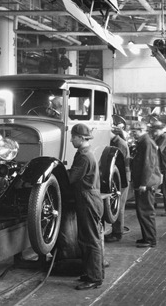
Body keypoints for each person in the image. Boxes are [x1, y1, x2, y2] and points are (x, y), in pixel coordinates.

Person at [67, 123, 104, 290]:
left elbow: (71, 178)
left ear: (81, 138)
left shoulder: (84, 156)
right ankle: (92, 273)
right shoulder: (85, 153)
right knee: (87, 239)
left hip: (87, 200)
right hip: (89, 199)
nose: (71, 140)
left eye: (73, 137)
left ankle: (94, 278)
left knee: (90, 240)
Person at [130, 121, 162, 248]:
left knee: (146, 211)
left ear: (142, 130)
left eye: (135, 132)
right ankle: (146, 237)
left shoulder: (146, 142)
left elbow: (148, 164)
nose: (133, 134)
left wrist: (143, 183)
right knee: (142, 211)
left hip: (147, 184)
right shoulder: (143, 142)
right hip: (144, 182)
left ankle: (150, 240)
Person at [105, 127, 131, 242]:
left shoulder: (120, 144)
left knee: (118, 205)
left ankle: (117, 233)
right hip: (119, 177)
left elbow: (119, 164)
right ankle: (116, 230)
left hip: (122, 177)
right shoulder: (116, 142)